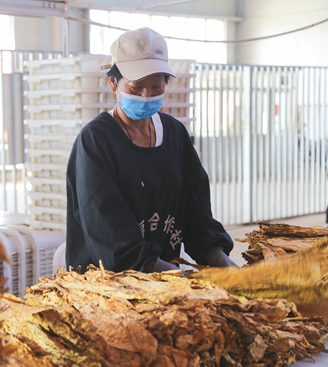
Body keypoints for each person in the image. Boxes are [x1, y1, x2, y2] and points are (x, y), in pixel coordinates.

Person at [65, 27, 237, 274]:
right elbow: (115, 243)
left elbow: (197, 217)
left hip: (163, 279)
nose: (147, 96)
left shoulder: (175, 135)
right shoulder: (95, 141)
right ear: (113, 82)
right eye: (136, 88)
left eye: (156, 86)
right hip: (109, 286)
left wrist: (224, 263)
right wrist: (183, 277)